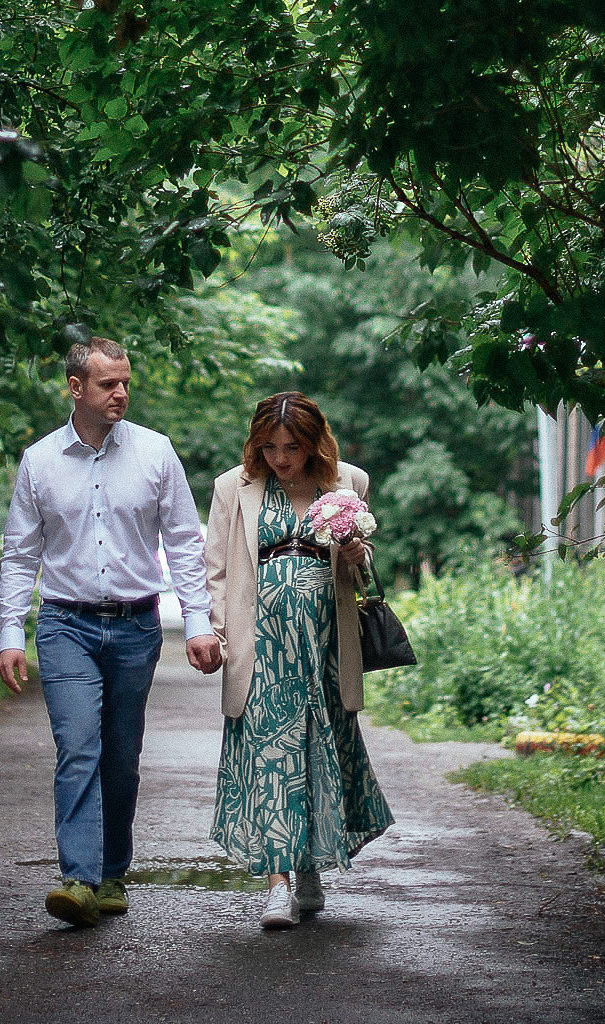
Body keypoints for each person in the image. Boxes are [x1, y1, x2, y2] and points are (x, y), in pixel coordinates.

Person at [0, 337, 222, 927]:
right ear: (76, 388)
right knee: (79, 749)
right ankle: (78, 877)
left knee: (121, 756)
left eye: (125, 382)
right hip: (65, 624)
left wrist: (197, 623)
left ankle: (114, 870)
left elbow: (183, 542)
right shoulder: (39, 462)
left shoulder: (155, 453)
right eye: (108, 384)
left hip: (135, 627)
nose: (121, 392)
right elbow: (20, 555)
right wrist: (10, 635)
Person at [203, 391, 394, 930]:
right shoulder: (230, 487)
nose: (281, 458)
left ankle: (307, 862)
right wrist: (216, 634)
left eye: (292, 447)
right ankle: (277, 884)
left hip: (325, 644)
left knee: (317, 747)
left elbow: (358, 570)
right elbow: (216, 568)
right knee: (272, 754)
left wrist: (358, 554)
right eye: (269, 447)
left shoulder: (347, 484)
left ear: (314, 444)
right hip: (259, 642)